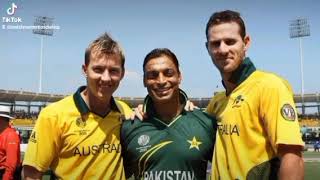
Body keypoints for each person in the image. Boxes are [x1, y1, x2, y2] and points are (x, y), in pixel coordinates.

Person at [205, 10, 305, 179]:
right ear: (207, 47)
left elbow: (292, 158)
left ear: (246, 42)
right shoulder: (217, 101)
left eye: (230, 41)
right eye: (215, 43)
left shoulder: (269, 86)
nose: (222, 49)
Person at [22, 33, 133, 179]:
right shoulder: (53, 115)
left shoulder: (125, 112)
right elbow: (31, 174)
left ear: (122, 73)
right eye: (98, 69)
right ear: (85, 69)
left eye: (113, 70)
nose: (106, 78)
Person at [121, 48, 217, 179]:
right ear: (144, 80)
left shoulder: (206, 124)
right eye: (153, 75)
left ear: (179, 76)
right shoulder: (129, 127)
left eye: (168, 73)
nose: (161, 81)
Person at [0, 105, 21, 180]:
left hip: (6, 173)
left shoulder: (11, 135)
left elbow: (11, 162)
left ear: (1, 119)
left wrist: (6, 177)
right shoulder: (2, 133)